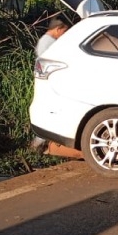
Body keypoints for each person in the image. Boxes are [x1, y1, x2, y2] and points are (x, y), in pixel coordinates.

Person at [31, 16, 69, 152]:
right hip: (49, 82)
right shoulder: (49, 42)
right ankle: (39, 144)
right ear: (58, 29)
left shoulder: (47, 41)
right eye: (64, 32)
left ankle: (41, 144)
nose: (64, 35)